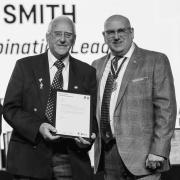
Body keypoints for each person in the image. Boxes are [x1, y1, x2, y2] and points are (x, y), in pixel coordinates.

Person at [3, 16, 97, 180]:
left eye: (68, 35)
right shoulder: (25, 66)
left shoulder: (87, 72)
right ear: (47, 37)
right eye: (57, 34)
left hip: (70, 158)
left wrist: (88, 138)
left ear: (74, 39)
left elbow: (91, 117)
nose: (62, 39)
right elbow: (10, 109)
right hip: (29, 158)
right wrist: (38, 127)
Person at [92, 14, 177, 180]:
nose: (116, 36)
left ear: (131, 32)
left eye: (121, 31)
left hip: (145, 157)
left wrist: (158, 151)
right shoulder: (97, 65)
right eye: (110, 32)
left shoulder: (155, 60)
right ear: (104, 36)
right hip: (108, 154)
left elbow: (166, 109)